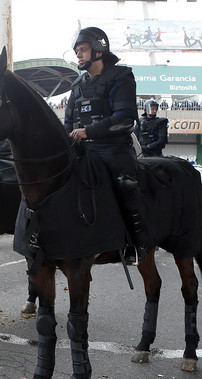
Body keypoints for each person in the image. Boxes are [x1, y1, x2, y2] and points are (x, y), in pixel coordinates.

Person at [64, 26, 147, 264]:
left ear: (99, 51)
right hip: (81, 150)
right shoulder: (77, 85)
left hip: (113, 148)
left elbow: (124, 119)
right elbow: (68, 122)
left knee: (125, 184)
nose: (78, 55)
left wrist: (88, 131)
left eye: (83, 50)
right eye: (77, 51)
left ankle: (136, 242)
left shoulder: (121, 78)